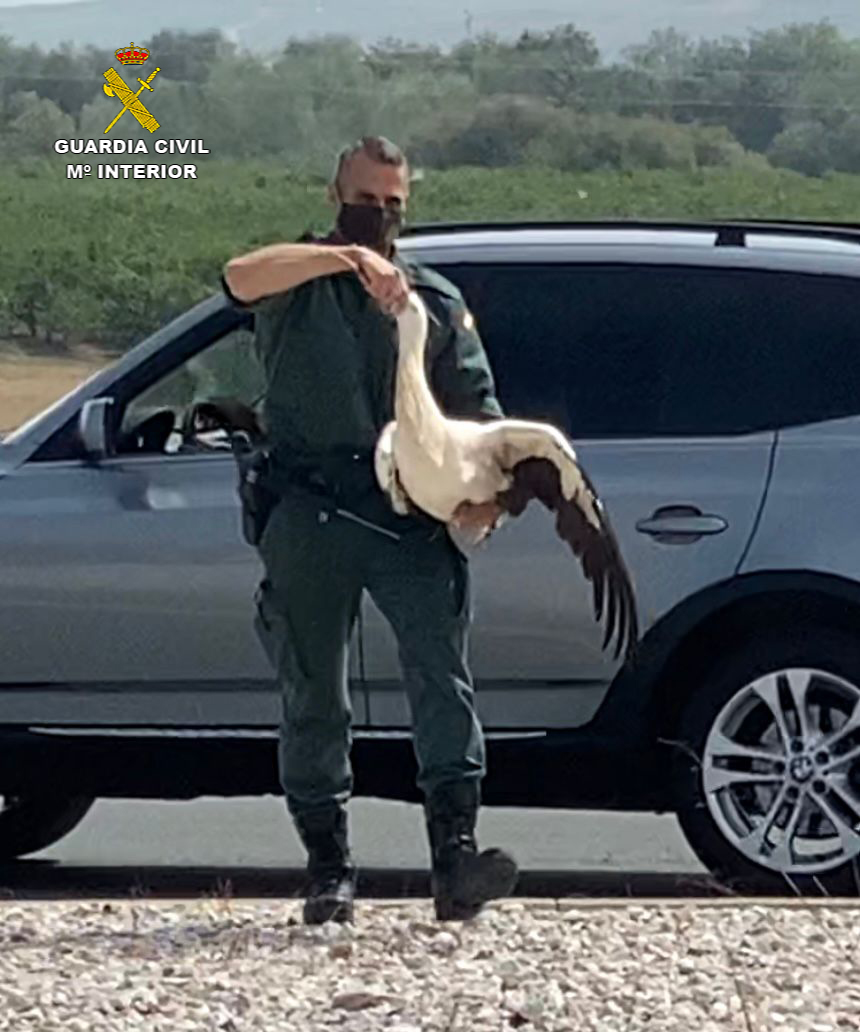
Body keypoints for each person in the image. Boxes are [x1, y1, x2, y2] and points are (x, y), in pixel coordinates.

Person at [221, 135, 518, 925]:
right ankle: (329, 867)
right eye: (366, 199)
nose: (378, 216)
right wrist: (344, 261)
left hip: (406, 514)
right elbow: (240, 277)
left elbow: (478, 411)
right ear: (335, 195)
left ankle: (455, 858)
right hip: (308, 507)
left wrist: (482, 497)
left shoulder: (431, 299)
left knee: (441, 680)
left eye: (393, 205)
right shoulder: (296, 280)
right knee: (313, 690)